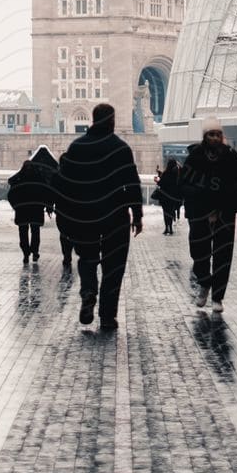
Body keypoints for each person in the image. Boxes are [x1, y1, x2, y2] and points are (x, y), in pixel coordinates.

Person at [54, 103, 143, 332]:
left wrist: (66, 216)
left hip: (84, 216)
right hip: (115, 216)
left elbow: (64, 185)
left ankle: (88, 292)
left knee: (87, 259)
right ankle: (107, 316)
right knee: (114, 267)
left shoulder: (76, 147)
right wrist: (137, 213)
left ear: (93, 119)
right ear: (112, 121)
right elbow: (132, 182)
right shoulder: (120, 148)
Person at [179, 125, 237, 312]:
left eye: (217, 134)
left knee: (223, 254)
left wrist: (230, 198)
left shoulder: (230, 155)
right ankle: (205, 282)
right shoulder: (195, 156)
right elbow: (184, 183)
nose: (214, 138)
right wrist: (199, 194)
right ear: (205, 136)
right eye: (211, 134)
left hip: (224, 212)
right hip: (199, 212)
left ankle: (218, 297)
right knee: (198, 251)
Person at [7, 156, 53, 262]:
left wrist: (16, 206)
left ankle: (26, 253)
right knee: (35, 232)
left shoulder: (18, 180)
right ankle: (34, 251)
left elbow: (11, 195)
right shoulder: (39, 179)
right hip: (36, 211)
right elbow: (46, 193)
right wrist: (45, 205)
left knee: (23, 233)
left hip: (22, 211)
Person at [154, 158, 182, 235]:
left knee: (165, 213)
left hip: (165, 197)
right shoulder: (176, 174)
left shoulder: (166, 173)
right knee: (171, 212)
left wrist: (157, 181)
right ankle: (171, 229)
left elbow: (161, 183)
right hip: (173, 197)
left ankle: (167, 228)